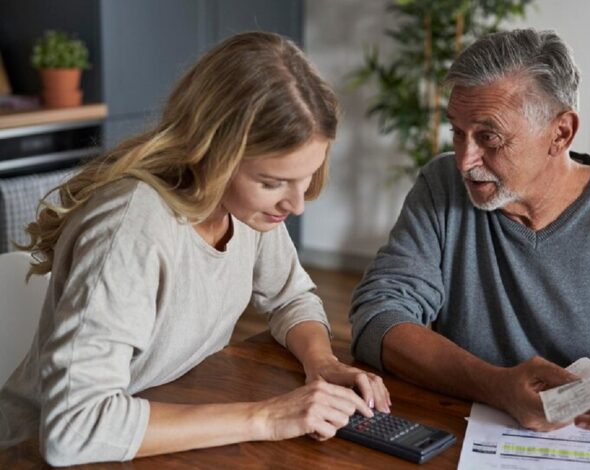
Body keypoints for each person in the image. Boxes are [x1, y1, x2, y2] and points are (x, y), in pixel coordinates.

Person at [0, 31, 390, 466]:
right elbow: (75, 428)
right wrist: (267, 418)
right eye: (273, 182)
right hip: (31, 453)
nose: (296, 204)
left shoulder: (247, 211)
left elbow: (291, 297)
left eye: (306, 177)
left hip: (151, 430)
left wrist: (322, 363)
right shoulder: (131, 230)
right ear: (213, 152)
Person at [349, 28, 590, 437]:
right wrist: (494, 384)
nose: (465, 161)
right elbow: (378, 316)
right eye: (457, 131)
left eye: (489, 137)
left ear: (561, 134)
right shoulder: (441, 186)